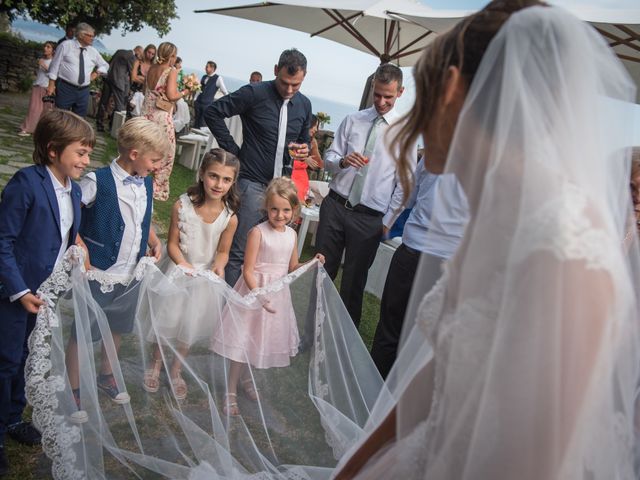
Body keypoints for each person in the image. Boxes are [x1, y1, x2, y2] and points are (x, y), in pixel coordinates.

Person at [334, 1, 640, 478]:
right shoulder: (500, 217)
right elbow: (436, 378)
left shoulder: (566, 251)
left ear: (451, 91)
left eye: (423, 95)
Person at [0, 110, 93, 474]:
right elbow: (3, 241)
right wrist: (19, 288)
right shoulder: (27, 183)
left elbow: (65, 233)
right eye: (81, 153)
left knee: (26, 357)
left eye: (88, 154)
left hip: (44, 294)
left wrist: (75, 255)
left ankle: (12, 418)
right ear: (53, 150)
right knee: (5, 361)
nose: (86, 161)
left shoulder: (73, 190)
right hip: (14, 292)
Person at [65, 117, 167, 419]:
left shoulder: (145, 180)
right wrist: (80, 243)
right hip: (101, 269)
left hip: (131, 270)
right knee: (83, 331)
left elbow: (141, 216)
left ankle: (106, 374)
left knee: (118, 325)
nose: (158, 166)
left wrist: (153, 238)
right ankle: (73, 388)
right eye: (155, 160)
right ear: (134, 154)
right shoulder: (98, 182)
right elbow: (70, 213)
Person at [210, 177, 324, 416]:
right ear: (266, 208)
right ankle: (231, 389)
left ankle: (245, 379)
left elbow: (291, 267)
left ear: (294, 210)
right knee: (242, 341)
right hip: (254, 292)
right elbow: (247, 270)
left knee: (258, 339)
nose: (280, 215)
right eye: (274, 209)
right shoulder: (257, 233)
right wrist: (258, 295)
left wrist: (311, 263)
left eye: (285, 210)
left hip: (277, 295)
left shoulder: (292, 235)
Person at [205, 49, 312, 286]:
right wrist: (233, 153)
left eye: (297, 84)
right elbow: (213, 111)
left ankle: (255, 313)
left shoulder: (304, 105)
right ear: (276, 70)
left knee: (272, 254)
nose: (290, 90)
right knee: (239, 252)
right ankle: (229, 312)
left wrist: (303, 149)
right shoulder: (254, 93)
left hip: (282, 191)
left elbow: (303, 140)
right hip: (251, 183)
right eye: (285, 82)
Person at [316, 63, 411, 328]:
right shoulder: (353, 120)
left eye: (388, 97)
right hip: (335, 206)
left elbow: (405, 183)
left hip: (369, 219)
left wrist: (387, 222)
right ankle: (309, 335)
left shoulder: (406, 132)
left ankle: (343, 348)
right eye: (377, 94)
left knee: (353, 286)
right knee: (320, 274)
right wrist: (343, 161)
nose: (381, 102)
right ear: (372, 88)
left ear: (400, 92)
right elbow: (329, 160)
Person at [143, 148, 239, 400]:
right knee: (168, 320)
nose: (219, 184)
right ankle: (155, 364)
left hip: (206, 278)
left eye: (226, 179)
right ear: (201, 174)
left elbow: (223, 251)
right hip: (179, 271)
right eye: (213, 176)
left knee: (190, 326)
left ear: (233, 182)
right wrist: (182, 264)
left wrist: (218, 266)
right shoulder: (181, 205)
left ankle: (175, 370)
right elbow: (173, 243)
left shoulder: (229, 218)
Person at [370, 157, 468, 378]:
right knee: (422, 339)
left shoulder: (434, 153)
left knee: (391, 331)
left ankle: (372, 394)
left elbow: (409, 198)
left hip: (418, 254)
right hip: (443, 260)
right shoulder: (488, 164)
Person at [141, 42, 191, 201]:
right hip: (161, 116)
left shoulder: (151, 68)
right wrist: (186, 91)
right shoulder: (171, 71)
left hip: (145, 114)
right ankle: (156, 189)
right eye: (174, 55)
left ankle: (140, 179)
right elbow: (171, 96)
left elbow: (145, 90)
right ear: (171, 56)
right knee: (167, 153)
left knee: (144, 149)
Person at [46, 22, 109, 118]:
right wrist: (51, 85)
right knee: (60, 117)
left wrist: (96, 73)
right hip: (65, 88)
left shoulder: (93, 51)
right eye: (90, 36)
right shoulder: (66, 45)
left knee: (79, 120)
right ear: (81, 35)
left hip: (84, 91)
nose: (93, 38)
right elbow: (54, 65)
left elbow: (105, 65)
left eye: (93, 36)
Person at [96, 46, 142, 132]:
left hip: (108, 78)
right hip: (119, 82)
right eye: (140, 55)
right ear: (138, 52)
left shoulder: (120, 51)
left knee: (103, 102)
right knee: (119, 105)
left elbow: (110, 63)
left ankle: (99, 124)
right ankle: (113, 127)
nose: (139, 57)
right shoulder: (132, 57)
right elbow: (132, 73)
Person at [18, 41, 56, 136]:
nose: (45, 48)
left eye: (48, 47)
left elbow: (54, 74)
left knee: (46, 111)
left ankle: (42, 131)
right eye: (45, 46)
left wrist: (43, 65)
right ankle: (26, 128)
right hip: (38, 86)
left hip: (48, 88)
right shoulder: (42, 60)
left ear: (53, 50)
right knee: (33, 109)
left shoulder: (54, 62)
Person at [291, 113, 322, 203]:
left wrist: (315, 147)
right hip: (291, 180)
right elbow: (286, 155)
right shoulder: (292, 137)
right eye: (315, 126)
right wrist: (305, 159)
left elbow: (319, 164)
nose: (316, 130)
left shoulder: (311, 141)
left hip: (302, 181)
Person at [194, 61, 229, 129]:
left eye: (207, 67)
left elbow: (224, 91)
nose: (205, 68)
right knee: (196, 122)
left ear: (212, 68)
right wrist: (195, 99)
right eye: (206, 66)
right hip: (198, 103)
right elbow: (199, 89)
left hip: (207, 105)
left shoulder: (218, 78)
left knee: (203, 124)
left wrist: (228, 101)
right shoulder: (204, 77)